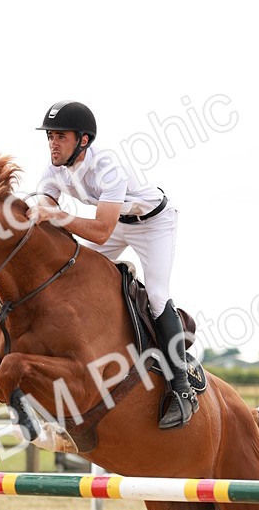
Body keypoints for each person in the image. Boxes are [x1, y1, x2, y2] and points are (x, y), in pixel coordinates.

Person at [28, 100, 198, 429]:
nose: (52, 143)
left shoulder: (108, 167)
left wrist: (57, 215)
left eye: (60, 136)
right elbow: (44, 209)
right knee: (71, 273)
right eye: (50, 136)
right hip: (119, 222)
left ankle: (182, 389)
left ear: (83, 140)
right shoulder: (53, 171)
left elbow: (102, 232)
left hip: (154, 224)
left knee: (158, 296)